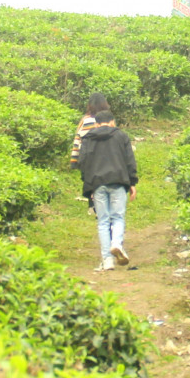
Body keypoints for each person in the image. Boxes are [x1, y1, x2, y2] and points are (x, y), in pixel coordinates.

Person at [75, 103, 137, 270]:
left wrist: (89, 188)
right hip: (118, 181)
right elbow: (129, 161)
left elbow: (83, 163)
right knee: (117, 217)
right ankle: (116, 243)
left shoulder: (88, 138)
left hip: (97, 184)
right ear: (112, 122)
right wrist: (132, 182)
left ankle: (107, 261)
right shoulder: (121, 136)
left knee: (103, 221)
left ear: (96, 124)